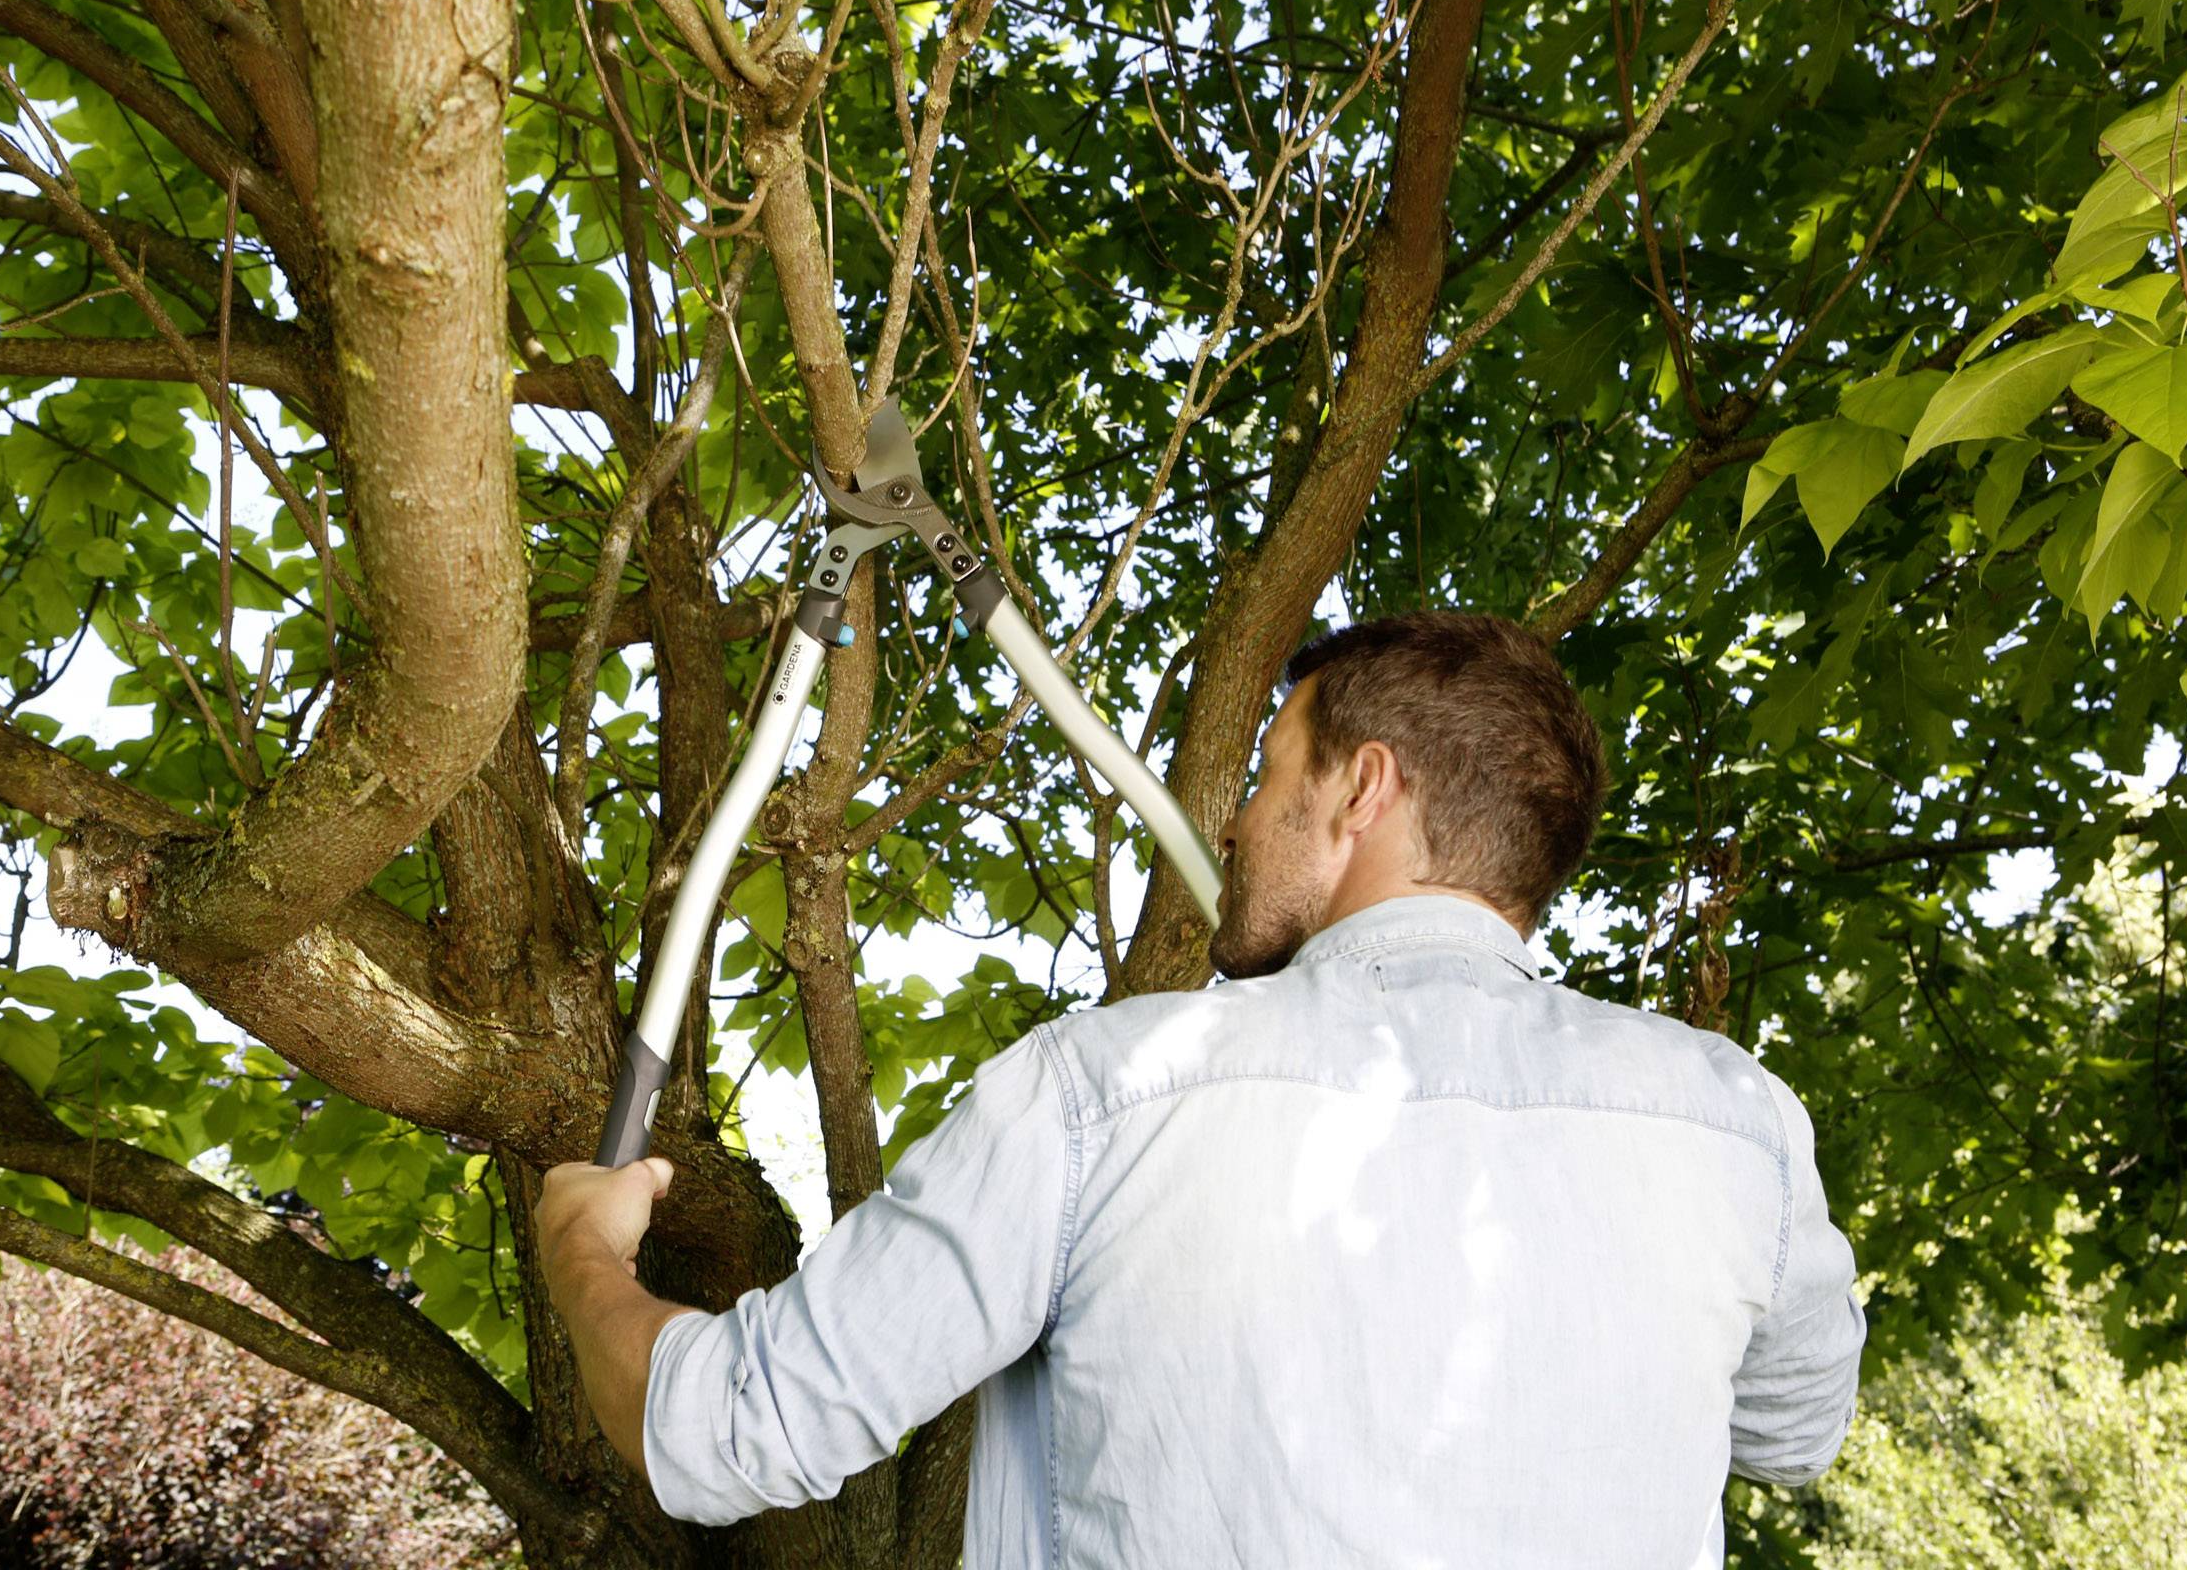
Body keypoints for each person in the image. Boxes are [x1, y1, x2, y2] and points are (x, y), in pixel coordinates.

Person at [537, 610, 1866, 1567]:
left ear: (1362, 788)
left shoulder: (1105, 1095)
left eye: (1270, 771)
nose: (1232, 818)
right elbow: (1794, 1434)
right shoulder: (1732, 1125)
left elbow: (722, 1432)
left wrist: (584, 1252)